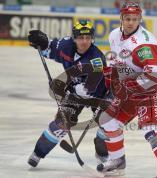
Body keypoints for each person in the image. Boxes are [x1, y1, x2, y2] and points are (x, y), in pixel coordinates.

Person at [95, 2, 157, 177]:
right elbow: (116, 65)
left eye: (135, 19)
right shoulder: (114, 36)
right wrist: (108, 87)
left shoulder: (143, 43)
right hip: (132, 89)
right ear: (121, 18)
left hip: (153, 89)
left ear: (140, 19)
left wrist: (126, 89)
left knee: (151, 127)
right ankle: (118, 161)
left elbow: (156, 75)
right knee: (108, 120)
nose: (131, 23)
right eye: (127, 18)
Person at [27, 20, 109, 167]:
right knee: (61, 123)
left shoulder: (96, 60)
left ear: (92, 38)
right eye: (80, 37)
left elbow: (88, 90)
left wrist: (61, 86)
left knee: (108, 124)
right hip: (74, 90)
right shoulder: (66, 46)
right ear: (74, 38)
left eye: (87, 37)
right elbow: (51, 49)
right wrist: (43, 42)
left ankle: (103, 155)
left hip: (99, 95)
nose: (84, 41)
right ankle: (38, 153)